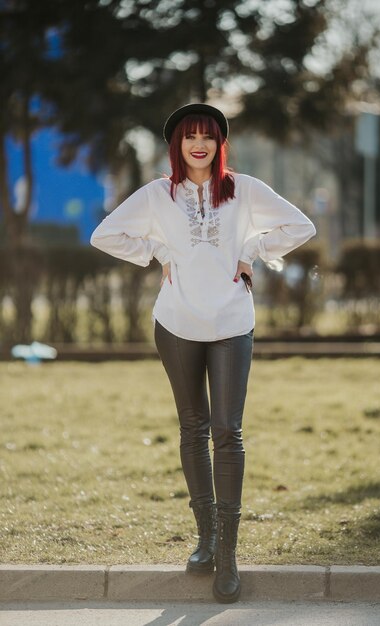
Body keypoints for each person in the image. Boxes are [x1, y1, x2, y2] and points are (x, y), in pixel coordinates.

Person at [90, 102, 316, 603]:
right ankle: (206, 538)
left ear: (219, 143)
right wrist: (160, 252)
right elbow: (104, 234)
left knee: (226, 431)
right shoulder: (158, 195)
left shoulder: (245, 190)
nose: (199, 144)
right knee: (192, 427)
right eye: (190, 136)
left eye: (208, 136)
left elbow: (301, 227)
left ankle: (230, 556)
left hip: (233, 322)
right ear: (177, 145)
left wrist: (249, 251)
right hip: (177, 323)